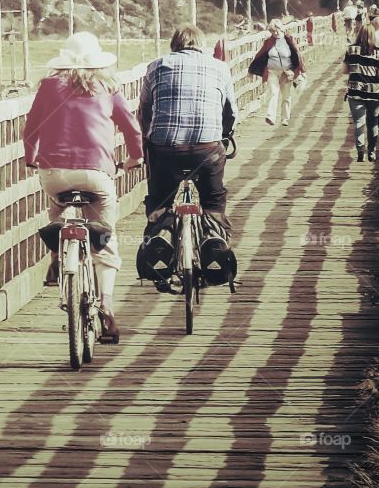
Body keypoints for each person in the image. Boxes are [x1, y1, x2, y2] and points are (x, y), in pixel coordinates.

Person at [23, 31, 143, 341]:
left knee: (59, 206)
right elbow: (132, 130)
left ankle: (57, 249)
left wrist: (31, 158)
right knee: (104, 237)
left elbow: (31, 129)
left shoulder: (49, 86)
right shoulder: (108, 87)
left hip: (55, 174)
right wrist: (135, 159)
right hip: (96, 173)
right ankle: (106, 306)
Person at [137, 24, 237, 288]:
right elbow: (231, 111)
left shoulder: (156, 66)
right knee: (213, 198)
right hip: (207, 150)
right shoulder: (219, 67)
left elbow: (145, 109)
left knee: (160, 198)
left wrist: (148, 138)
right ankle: (214, 240)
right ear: (201, 44)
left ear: (174, 44)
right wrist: (224, 136)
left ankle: (161, 237)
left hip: (165, 149)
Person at [247, 19, 305, 127]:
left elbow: (297, 55)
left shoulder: (288, 39)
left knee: (286, 96)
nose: (274, 33)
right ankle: (271, 116)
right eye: (272, 31)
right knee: (274, 92)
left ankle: (285, 118)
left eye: (275, 30)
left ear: (280, 28)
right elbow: (259, 55)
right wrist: (251, 70)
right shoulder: (268, 42)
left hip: (286, 73)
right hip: (272, 72)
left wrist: (301, 70)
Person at [343, 23, 379, 162]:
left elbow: (344, 70)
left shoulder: (351, 50)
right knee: (373, 122)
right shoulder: (378, 52)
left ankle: (360, 150)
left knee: (358, 122)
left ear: (359, 34)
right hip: (374, 93)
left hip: (355, 91)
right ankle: (372, 151)